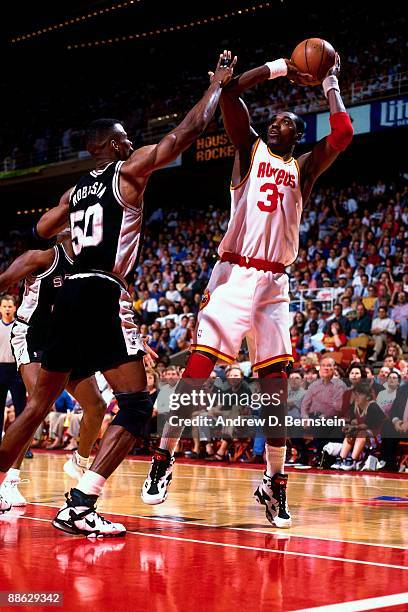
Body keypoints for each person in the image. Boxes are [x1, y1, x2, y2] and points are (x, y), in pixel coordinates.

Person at [0, 51, 237, 529]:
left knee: (37, 406)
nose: (133, 143)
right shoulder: (128, 172)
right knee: (134, 403)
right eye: (126, 138)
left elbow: (43, 230)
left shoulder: (74, 193)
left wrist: (74, 220)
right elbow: (187, 133)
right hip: (101, 292)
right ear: (111, 145)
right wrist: (217, 85)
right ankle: (82, 503)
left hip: (66, 295)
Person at [142, 49, 353, 530]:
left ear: (296, 134)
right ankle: (163, 458)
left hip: (275, 282)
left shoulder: (303, 169)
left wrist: (329, 81)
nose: (274, 123)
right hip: (236, 274)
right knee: (196, 375)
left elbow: (343, 134)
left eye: (284, 121)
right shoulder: (248, 151)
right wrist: (282, 65)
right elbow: (232, 92)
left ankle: (275, 486)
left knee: (275, 393)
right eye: (272, 120)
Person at [0, 239, 107, 509]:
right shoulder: (43, 258)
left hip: (67, 340)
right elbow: (4, 279)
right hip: (32, 336)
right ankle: (9, 480)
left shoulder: (91, 265)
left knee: (96, 406)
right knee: (39, 404)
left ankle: (79, 462)